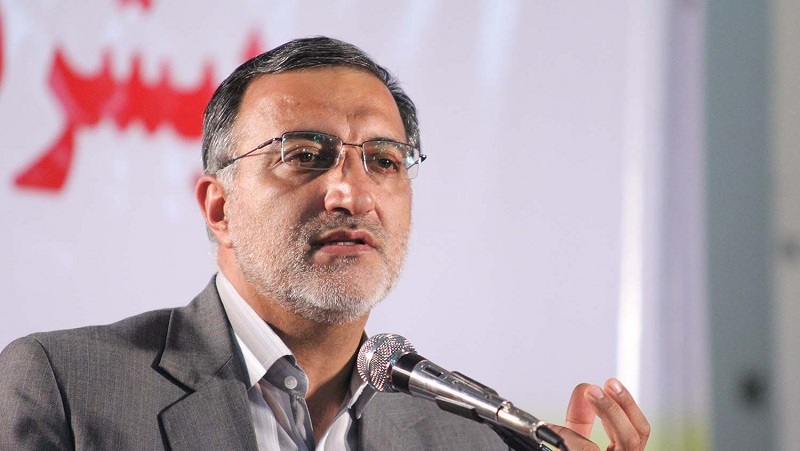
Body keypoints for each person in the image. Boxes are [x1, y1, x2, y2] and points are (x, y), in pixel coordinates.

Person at [0, 36, 650, 450]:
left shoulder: (464, 438)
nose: (352, 193)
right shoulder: (66, 387)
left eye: (384, 160)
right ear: (220, 208)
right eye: (305, 155)